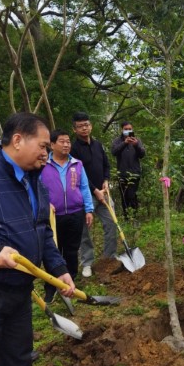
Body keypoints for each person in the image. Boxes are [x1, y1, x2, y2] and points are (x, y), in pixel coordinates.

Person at [0, 112, 75, 366]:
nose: (47, 152)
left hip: (18, 297)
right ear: (17, 140)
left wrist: (59, 268)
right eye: (43, 146)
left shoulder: (35, 181)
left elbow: (42, 230)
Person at [41, 130, 94, 303]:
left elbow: (84, 188)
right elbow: (36, 187)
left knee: (71, 250)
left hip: (74, 214)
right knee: (52, 251)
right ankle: (51, 287)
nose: (66, 145)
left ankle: (71, 283)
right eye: (62, 141)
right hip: (52, 216)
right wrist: (44, 203)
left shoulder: (77, 164)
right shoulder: (43, 164)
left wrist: (89, 209)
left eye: (68, 141)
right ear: (52, 144)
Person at [70, 112, 117, 278]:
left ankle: (109, 258)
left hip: (103, 192)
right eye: (80, 126)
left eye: (87, 125)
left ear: (91, 126)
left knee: (111, 223)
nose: (84, 128)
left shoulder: (98, 145)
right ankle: (87, 263)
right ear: (74, 129)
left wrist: (105, 180)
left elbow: (106, 164)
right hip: (84, 196)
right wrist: (94, 191)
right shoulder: (73, 149)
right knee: (84, 231)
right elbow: (77, 174)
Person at [111, 121, 146, 220]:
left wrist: (136, 145)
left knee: (132, 196)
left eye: (130, 129)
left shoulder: (137, 140)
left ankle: (134, 217)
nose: (128, 131)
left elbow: (142, 154)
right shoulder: (117, 141)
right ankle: (127, 218)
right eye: (126, 129)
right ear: (122, 130)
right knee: (124, 196)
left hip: (135, 174)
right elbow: (114, 152)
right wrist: (124, 143)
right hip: (122, 174)